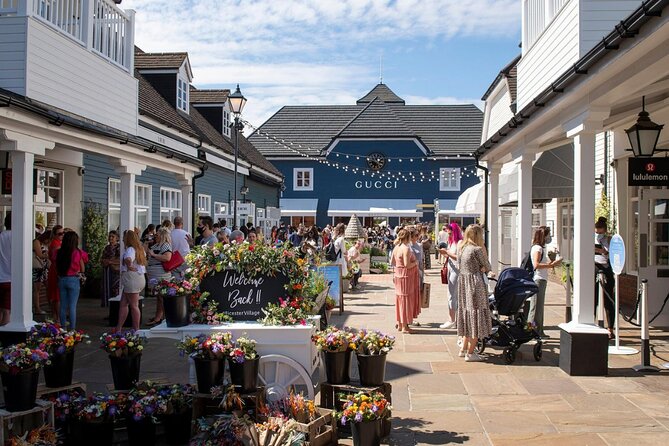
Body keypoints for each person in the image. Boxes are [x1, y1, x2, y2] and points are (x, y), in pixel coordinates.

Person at [456, 224, 492, 362]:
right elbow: (487, 266)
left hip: (464, 284)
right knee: (476, 316)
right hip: (475, 284)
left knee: (467, 313)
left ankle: (463, 348)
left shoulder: (462, 248)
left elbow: (460, 265)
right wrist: (484, 268)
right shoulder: (477, 249)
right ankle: (470, 353)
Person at [528, 226, 560, 337]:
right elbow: (536, 265)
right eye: (547, 235)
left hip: (541, 279)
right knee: (535, 307)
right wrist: (551, 265)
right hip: (539, 279)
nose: (549, 237)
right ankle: (530, 331)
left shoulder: (539, 248)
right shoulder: (538, 249)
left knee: (539, 307)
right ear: (543, 235)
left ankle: (539, 331)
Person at [56, 231, 88, 330]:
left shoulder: (59, 252)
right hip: (73, 279)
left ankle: (63, 328)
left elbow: (54, 264)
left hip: (62, 279)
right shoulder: (77, 252)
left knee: (63, 306)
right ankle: (72, 329)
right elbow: (83, 268)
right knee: (72, 306)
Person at [117, 230, 147, 331]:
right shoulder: (140, 249)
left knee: (134, 305)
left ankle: (136, 329)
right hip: (138, 277)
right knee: (124, 303)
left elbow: (128, 258)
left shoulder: (130, 249)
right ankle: (119, 328)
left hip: (132, 279)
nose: (122, 239)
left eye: (124, 237)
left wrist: (129, 264)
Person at [391, 229, 418, 334]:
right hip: (405, 277)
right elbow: (407, 265)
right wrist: (415, 262)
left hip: (398, 275)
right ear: (408, 238)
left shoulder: (396, 247)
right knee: (406, 300)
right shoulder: (406, 249)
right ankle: (405, 327)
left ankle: (400, 323)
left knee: (400, 300)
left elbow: (392, 262)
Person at [145, 227, 173, 326]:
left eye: (157, 235)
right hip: (154, 273)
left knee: (162, 296)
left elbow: (167, 257)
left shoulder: (165, 245)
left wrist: (153, 255)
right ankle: (159, 316)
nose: (155, 236)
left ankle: (162, 318)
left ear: (162, 236)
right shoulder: (156, 245)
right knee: (159, 297)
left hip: (161, 274)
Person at [440, 223, 463, 329]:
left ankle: (452, 319)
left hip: (456, 271)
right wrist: (444, 253)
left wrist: (447, 253)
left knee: (452, 294)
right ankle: (454, 319)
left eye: (450, 232)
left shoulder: (459, 243)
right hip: (451, 269)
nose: (448, 234)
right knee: (452, 294)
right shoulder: (451, 242)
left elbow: (459, 258)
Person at [595, 217, 615, 338]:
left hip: (606, 268)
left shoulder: (610, 239)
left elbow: (610, 252)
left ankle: (610, 328)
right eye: (596, 232)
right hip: (594, 267)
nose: (598, 234)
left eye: (600, 232)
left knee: (608, 300)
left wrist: (603, 250)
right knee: (594, 298)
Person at [47, 225, 64, 324]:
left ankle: (55, 316)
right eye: (59, 234)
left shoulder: (57, 243)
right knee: (56, 295)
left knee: (55, 294)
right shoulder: (56, 244)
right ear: (55, 234)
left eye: (63, 233)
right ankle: (57, 317)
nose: (62, 235)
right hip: (56, 269)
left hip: (55, 269)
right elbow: (56, 258)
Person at [100, 230, 121, 307]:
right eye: (110, 236)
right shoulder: (107, 247)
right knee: (107, 291)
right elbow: (102, 259)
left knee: (115, 290)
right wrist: (107, 261)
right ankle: (110, 311)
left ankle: (116, 310)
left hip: (115, 273)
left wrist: (110, 262)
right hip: (107, 272)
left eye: (113, 236)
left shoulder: (119, 248)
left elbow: (120, 260)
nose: (110, 238)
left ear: (117, 238)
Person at [32, 229, 50, 314]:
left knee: (47, 286)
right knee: (37, 289)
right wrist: (47, 255)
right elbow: (39, 254)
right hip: (37, 267)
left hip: (43, 267)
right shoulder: (36, 242)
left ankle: (50, 306)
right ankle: (37, 308)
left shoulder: (43, 244)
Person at [409, 227, 423, 324]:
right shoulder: (407, 247)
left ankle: (412, 316)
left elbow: (421, 260)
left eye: (418, 235)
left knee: (416, 295)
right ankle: (408, 317)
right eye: (416, 235)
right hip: (411, 273)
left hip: (419, 272)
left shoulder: (419, 245)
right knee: (410, 295)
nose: (418, 237)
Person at [0, 213, 12, 325]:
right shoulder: (17, 237)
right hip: (11, 278)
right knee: (7, 311)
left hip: (1, 277)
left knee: (1, 310)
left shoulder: (1, 235)